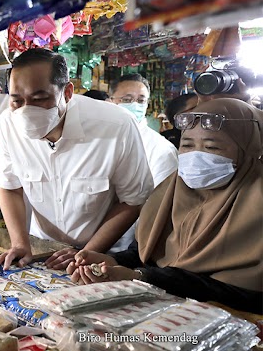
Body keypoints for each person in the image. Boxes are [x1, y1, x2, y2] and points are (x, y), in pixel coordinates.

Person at [67, 98, 263, 314]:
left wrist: (144, 277)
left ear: (248, 151)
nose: (196, 155)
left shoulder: (257, 206)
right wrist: (111, 261)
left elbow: (249, 295)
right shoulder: (170, 192)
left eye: (211, 146)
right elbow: (145, 253)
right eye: (187, 145)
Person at [0, 49, 154, 271]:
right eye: (17, 101)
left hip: (105, 251)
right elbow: (10, 187)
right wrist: (20, 243)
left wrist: (88, 253)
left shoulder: (116, 126)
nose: (27, 110)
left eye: (40, 99)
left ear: (67, 92)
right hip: (44, 249)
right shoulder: (8, 124)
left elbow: (133, 200)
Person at [108, 74, 179, 251]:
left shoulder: (162, 150)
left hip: (129, 246)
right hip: (83, 241)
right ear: (110, 101)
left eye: (141, 100)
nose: (135, 105)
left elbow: (158, 207)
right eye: (127, 99)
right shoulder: (98, 139)